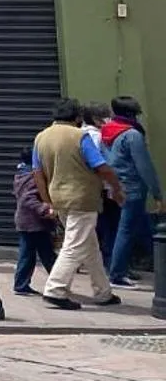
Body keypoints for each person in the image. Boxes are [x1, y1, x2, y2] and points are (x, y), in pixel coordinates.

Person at [33, 98, 125, 309]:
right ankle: (55, 289)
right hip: (82, 199)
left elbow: (37, 173)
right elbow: (101, 166)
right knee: (74, 246)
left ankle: (103, 292)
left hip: (59, 198)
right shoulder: (79, 136)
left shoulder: (41, 138)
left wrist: (47, 201)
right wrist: (116, 189)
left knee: (90, 246)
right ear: (77, 118)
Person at [103, 96, 161, 287]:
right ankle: (117, 273)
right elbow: (144, 166)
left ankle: (120, 268)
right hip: (132, 189)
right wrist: (157, 193)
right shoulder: (132, 135)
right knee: (126, 230)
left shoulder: (107, 131)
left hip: (115, 187)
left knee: (122, 229)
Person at [12, 144, 59, 295]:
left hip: (27, 221)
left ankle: (23, 284)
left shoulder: (20, 174)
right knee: (42, 254)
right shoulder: (32, 177)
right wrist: (44, 209)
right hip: (34, 223)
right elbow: (28, 198)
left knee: (33, 253)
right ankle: (58, 281)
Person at [84, 102, 119, 261]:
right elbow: (104, 165)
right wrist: (115, 187)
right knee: (110, 227)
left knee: (95, 228)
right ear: (96, 119)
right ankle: (110, 261)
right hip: (103, 190)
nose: (109, 119)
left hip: (87, 189)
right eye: (106, 116)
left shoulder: (78, 134)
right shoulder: (99, 137)